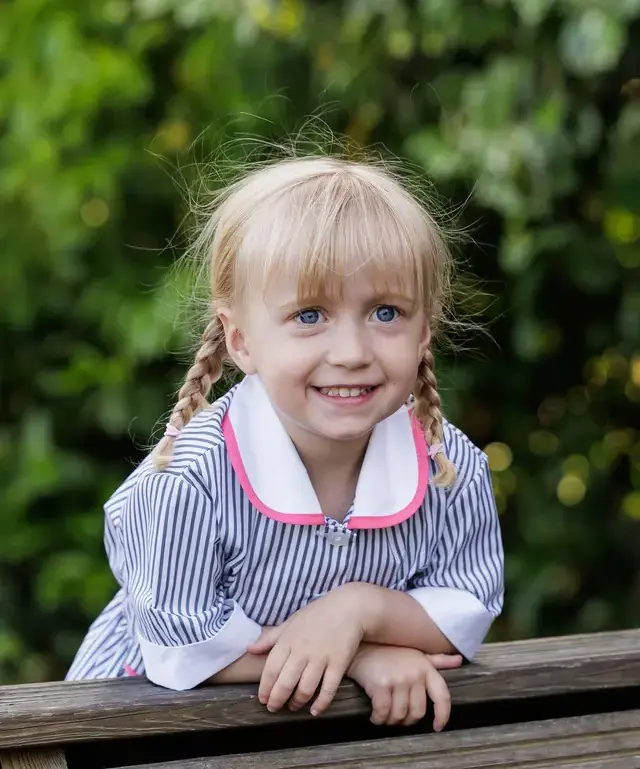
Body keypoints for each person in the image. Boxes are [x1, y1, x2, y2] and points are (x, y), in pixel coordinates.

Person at [67, 153, 504, 731]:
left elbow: (461, 614)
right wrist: (363, 657)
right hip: (131, 734)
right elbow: (184, 650)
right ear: (241, 340)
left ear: (424, 330)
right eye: (309, 316)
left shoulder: (449, 470)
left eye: (385, 311)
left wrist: (358, 611)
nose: (351, 352)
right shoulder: (189, 481)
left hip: (303, 740)